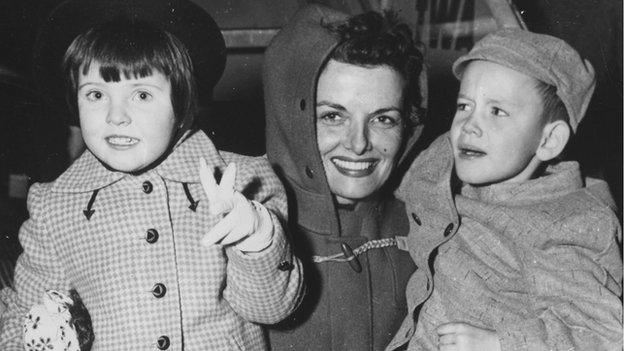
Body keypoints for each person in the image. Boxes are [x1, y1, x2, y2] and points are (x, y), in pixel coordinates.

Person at [0, 0, 303, 349]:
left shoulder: (243, 183)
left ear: (181, 104)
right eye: (96, 94)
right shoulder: (55, 207)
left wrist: (255, 238)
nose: (116, 116)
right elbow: (25, 316)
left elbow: (272, 309)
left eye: (142, 94)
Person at [386, 28, 623, 351]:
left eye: (497, 111)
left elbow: (605, 336)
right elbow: (406, 180)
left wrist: (501, 344)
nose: (469, 125)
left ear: (549, 140)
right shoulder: (444, 164)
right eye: (464, 106)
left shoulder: (568, 223)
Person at [264, 5, 426, 350]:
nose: (358, 144)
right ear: (290, 118)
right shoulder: (246, 232)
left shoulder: (429, 229)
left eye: (384, 119)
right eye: (333, 116)